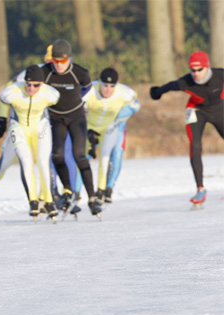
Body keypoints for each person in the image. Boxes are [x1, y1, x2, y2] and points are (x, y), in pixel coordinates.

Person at [0, 45, 77, 215]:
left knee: (45, 160)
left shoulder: (65, 76)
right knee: (7, 163)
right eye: (52, 61)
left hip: (41, 123)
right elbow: (7, 91)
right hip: (18, 124)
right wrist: (2, 119)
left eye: (59, 61)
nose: (56, 64)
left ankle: (45, 198)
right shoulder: (33, 73)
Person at [150, 51, 223, 206]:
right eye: (192, 70)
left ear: (207, 67)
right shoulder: (186, 82)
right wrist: (156, 92)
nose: (196, 74)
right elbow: (169, 86)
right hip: (197, 111)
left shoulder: (219, 75)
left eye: (200, 70)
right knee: (195, 145)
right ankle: (200, 189)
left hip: (219, 110)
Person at [40, 39, 102, 216]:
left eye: (63, 61)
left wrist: (76, 100)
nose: (59, 66)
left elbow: (87, 88)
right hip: (55, 118)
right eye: (56, 61)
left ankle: (92, 197)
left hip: (76, 117)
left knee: (79, 156)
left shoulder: (80, 73)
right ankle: (68, 189)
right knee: (57, 155)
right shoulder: (45, 72)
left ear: (70, 59)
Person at [0, 65, 60, 220]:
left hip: (40, 126)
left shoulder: (50, 94)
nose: (31, 89)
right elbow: (2, 97)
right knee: (26, 161)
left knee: (42, 161)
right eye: (28, 84)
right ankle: (33, 201)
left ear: (42, 84)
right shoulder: (12, 92)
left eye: (36, 85)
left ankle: (48, 201)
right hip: (18, 127)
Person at [71, 68, 139, 207]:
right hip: (89, 127)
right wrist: (85, 128)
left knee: (107, 156)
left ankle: (103, 190)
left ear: (116, 85)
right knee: (82, 157)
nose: (107, 90)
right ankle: (75, 192)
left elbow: (135, 106)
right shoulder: (89, 90)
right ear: (99, 83)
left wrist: (119, 119)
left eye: (111, 86)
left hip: (110, 127)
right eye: (104, 85)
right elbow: (75, 109)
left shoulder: (125, 93)